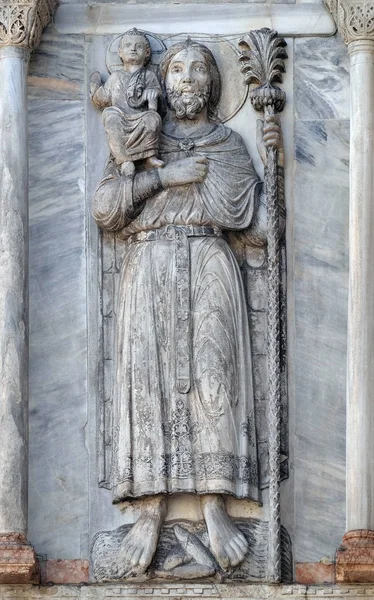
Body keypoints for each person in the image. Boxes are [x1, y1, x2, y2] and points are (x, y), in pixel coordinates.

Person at [93, 38, 284, 577]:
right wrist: (162, 177)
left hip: (209, 264)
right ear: (161, 80)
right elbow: (106, 210)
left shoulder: (226, 146)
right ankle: (149, 513)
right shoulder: (137, 138)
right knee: (145, 384)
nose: (186, 80)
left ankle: (213, 506)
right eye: (176, 69)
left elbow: (262, 233)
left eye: (199, 70)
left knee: (214, 379)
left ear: (213, 85)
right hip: (148, 267)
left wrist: (275, 162)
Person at [90, 28, 164, 175]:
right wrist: (95, 84)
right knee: (110, 116)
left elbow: (159, 107)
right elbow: (102, 99)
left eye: (139, 46)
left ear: (147, 52)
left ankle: (150, 157)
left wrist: (153, 96)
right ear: (120, 52)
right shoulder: (116, 77)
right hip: (120, 118)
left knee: (153, 118)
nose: (133, 49)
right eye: (128, 45)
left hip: (141, 118)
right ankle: (124, 160)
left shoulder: (148, 76)